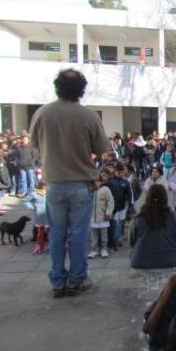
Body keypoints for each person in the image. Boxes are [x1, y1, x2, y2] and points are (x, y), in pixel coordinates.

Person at [29, 69, 108, 297]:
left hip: (54, 183)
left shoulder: (42, 114)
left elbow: (35, 144)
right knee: (78, 234)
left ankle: (57, 280)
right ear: (81, 90)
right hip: (81, 183)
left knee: (57, 234)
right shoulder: (89, 116)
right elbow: (101, 149)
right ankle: (76, 279)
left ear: (57, 87)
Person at [129, 184, 176, 271]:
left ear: (148, 198)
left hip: (141, 262)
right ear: (165, 198)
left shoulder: (137, 219)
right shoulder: (175, 217)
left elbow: (132, 241)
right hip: (172, 261)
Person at [87, 171, 114, 259]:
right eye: (94, 181)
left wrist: (108, 212)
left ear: (101, 182)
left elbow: (110, 202)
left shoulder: (106, 190)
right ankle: (94, 250)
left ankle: (104, 249)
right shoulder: (89, 191)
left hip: (103, 217)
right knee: (94, 236)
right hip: (92, 217)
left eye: (98, 181)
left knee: (104, 235)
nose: (96, 183)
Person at [23, 181, 49, 255]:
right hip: (40, 216)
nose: (46, 187)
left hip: (49, 215)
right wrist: (33, 207)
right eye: (44, 185)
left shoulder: (50, 192)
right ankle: (40, 246)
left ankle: (52, 245)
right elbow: (25, 200)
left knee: (50, 232)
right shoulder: (35, 194)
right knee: (40, 232)